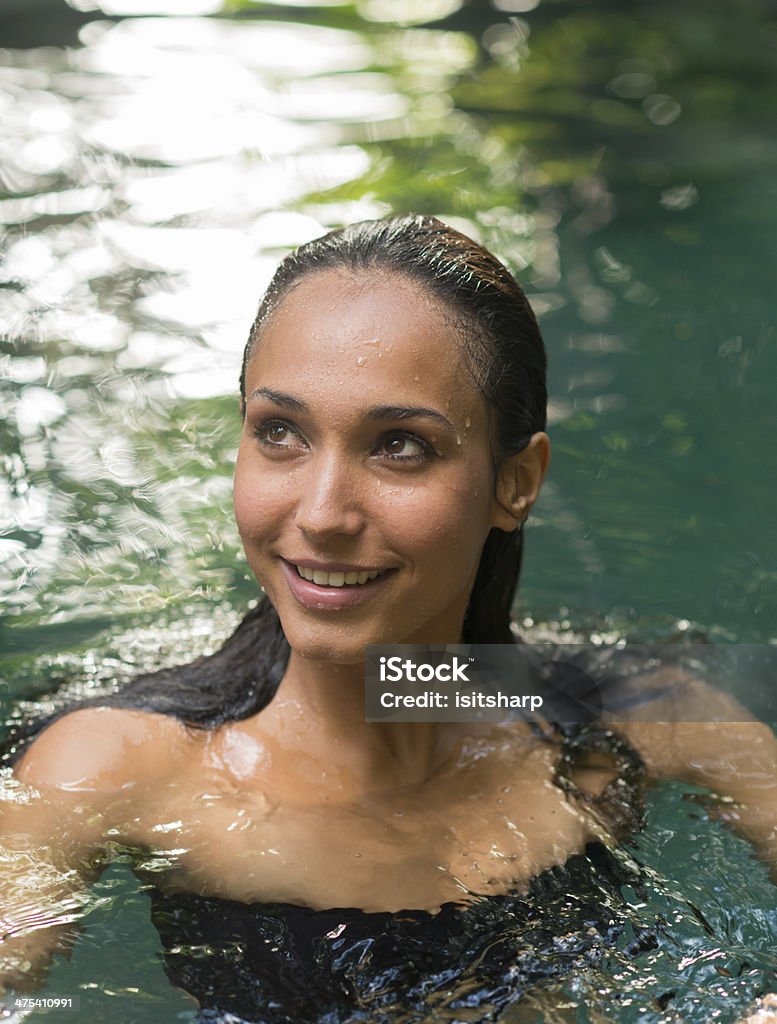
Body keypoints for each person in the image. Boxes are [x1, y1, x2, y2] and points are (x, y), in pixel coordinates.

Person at [2, 214, 777, 1021]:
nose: (324, 512)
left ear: (515, 481)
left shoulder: (632, 719)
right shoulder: (119, 768)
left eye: (399, 445)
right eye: (280, 433)